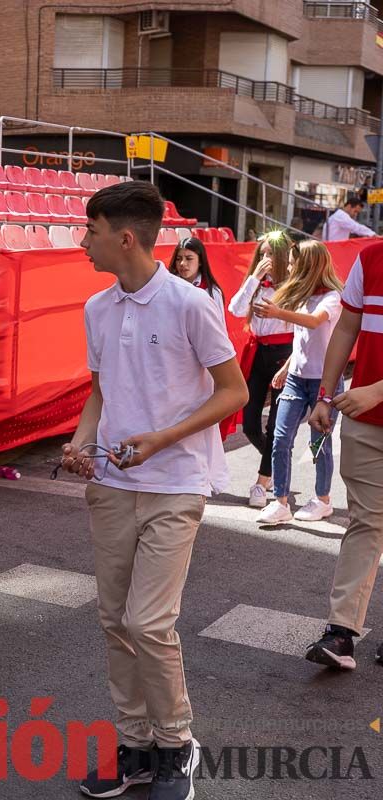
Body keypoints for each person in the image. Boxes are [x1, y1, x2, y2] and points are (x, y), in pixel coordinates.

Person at [60, 181, 246, 799]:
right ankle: (135, 747)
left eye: (90, 230)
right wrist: (82, 443)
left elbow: (234, 392)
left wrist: (161, 438)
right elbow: (100, 392)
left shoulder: (193, 304)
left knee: (148, 622)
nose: (83, 241)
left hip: (176, 483)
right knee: (115, 619)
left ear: (125, 236)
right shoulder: (95, 309)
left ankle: (176, 744)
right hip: (112, 484)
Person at [306, 239, 383, 670]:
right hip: (365, 421)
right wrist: (325, 395)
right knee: (366, 523)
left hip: (369, 403)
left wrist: (374, 390)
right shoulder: (371, 258)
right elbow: (346, 329)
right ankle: (341, 633)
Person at [255, 240, 344, 525]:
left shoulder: (332, 297)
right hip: (296, 378)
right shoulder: (302, 295)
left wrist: (278, 313)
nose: (290, 267)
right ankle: (280, 502)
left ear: (309, 265)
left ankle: (323, 500)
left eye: (294, 263)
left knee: (320, 445)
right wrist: (288, 367)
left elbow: (315, 323)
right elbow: (303, 340)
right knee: (280, 438)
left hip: (324, 382)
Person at [225, 231, 294, 505]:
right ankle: (278, 467)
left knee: (277, 422)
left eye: (269, 254)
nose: (265, 258)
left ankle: (261, 483)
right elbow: (235, 309)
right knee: (251, 421)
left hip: (284, 354)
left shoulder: (294, 284)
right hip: (258, 352)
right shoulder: (258, 282)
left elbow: (303, 325)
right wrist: (254, 277)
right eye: (261, 253)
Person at [168, 236, 224, 311]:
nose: (182, 263)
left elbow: (219, 322)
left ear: (200, 261)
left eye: (189, 258)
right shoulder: (168, 287)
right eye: (178, 259)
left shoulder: (212, 292)